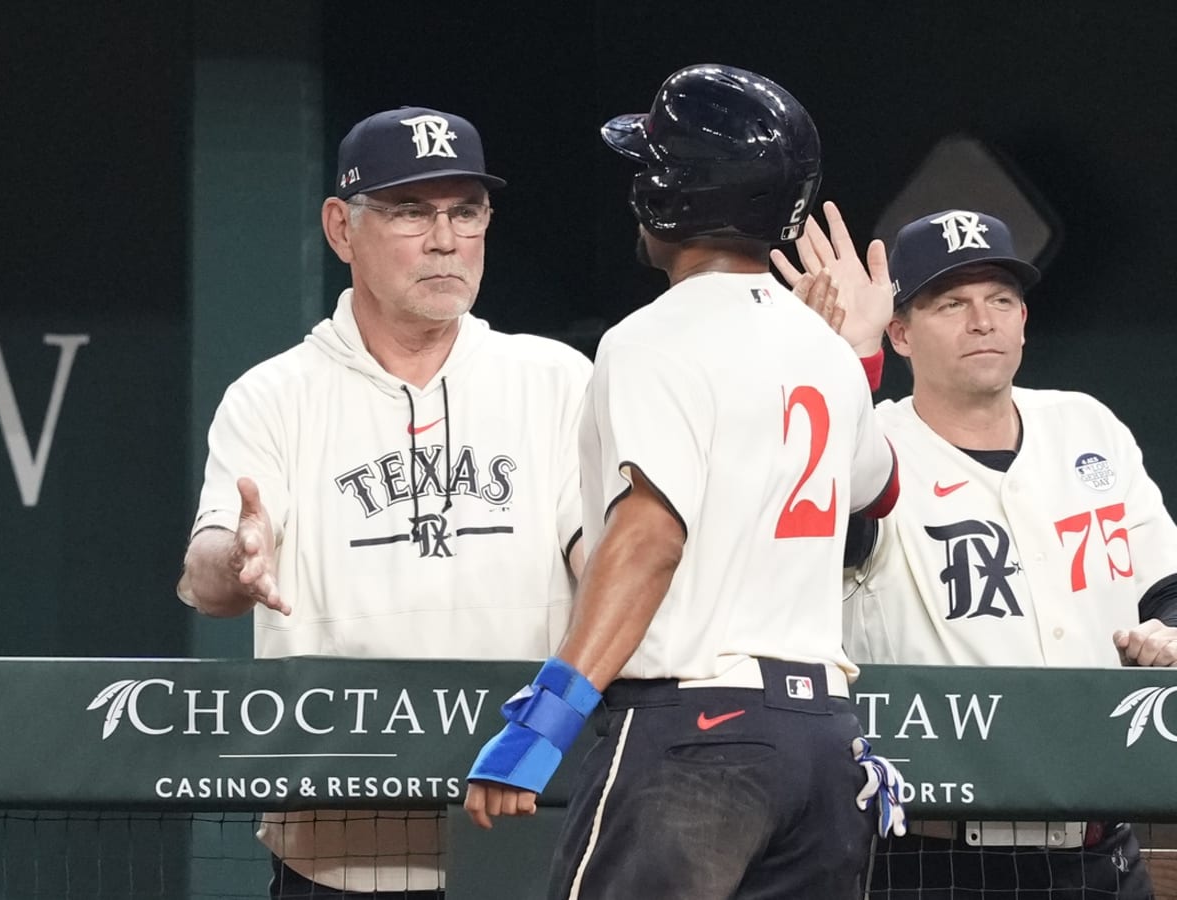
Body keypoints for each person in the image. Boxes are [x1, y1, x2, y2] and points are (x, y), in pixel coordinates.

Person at [463, 64, 903, 900]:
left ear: (677, 192)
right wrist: (855, 361)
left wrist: (547, 720)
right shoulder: (830, 352)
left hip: (699, 738)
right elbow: (875, 497)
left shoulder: (650, 339)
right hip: (823, 740)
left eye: (649, 166)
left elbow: (649, 538)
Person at [177, 106, 592, 899]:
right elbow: (206, 578)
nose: (445, 240)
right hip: (339, 846)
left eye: (464, 212)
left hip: (522, 832)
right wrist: (238, 558)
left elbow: (602, 561)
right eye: (410, 212)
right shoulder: (272, 396)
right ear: (341, 227)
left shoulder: (557, 380)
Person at [774, 203, 1177, 898]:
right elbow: (824, 534)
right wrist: (842, 365)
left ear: (1023, 318)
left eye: (1001, 298)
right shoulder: (866, 445)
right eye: (951, 303)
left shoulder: (1087, 425)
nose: (983, 320)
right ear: (899, 333)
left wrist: (1170, 633)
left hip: (1099, 849)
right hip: (931, 850)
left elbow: (1164, 580)